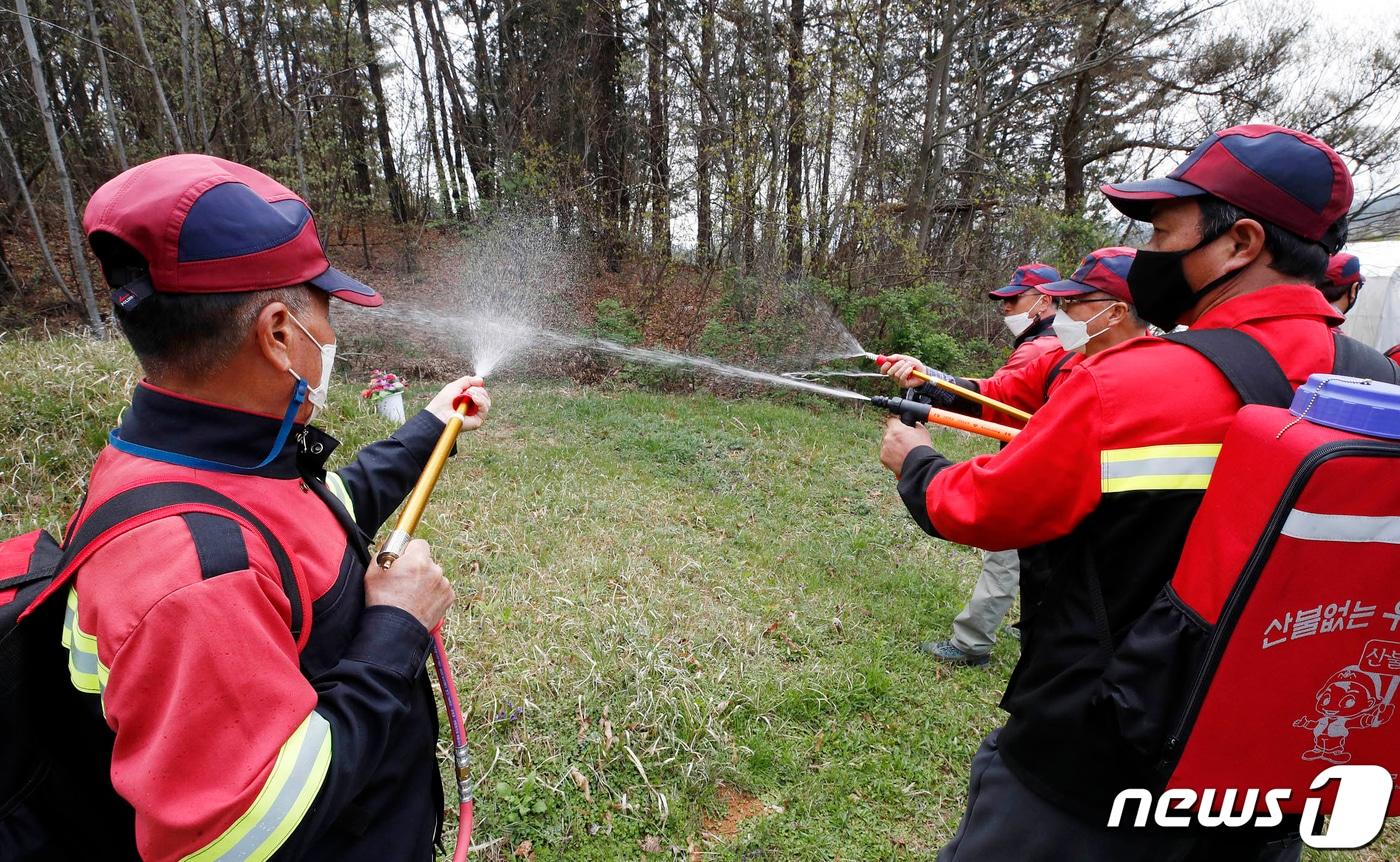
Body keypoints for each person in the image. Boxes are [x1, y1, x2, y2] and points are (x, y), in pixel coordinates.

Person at [879, 124, 1382, 860]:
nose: (1149, 253)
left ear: (1240, 243)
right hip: (1268, 782)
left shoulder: (1137, 384)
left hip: (1091, 777)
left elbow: (983, 507)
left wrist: (916, 461)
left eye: (1161, 232)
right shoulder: (1380, 383)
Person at [61, 154, 490, 861]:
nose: (333, 334)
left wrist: (429, 426)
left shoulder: (202, 464)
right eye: (326, 310)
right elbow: (238, 832)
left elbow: (321, 513)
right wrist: (397, 629)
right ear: (280, 333)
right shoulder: (194, 576)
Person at [880, 248, 1147, 667]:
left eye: (1075, 302)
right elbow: (997, 394)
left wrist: (916, 461)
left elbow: (1001, 500)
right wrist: (930, 381)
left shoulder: (1133, 385)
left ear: (1115, 313)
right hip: (1046, 551)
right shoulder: (1063, 359)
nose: (1063, 313)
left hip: (1098, 570)